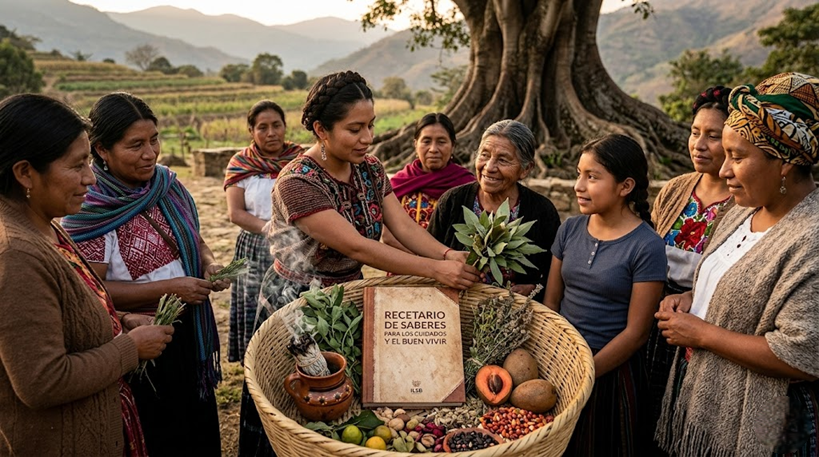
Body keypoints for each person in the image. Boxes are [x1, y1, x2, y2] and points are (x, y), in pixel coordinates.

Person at [240, 70, 481, 457]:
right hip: (297, 303)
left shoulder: (369, 169)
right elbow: (358, 247)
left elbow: (400, 224)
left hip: (345, 299)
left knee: (344, 404)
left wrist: (447, 254)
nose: (367, 138)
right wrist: (435, 270)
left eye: (370, 125)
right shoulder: (297, 182)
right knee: (299, 406)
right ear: (321, 129)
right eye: (355, 129)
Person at [0, 94, 173, 456]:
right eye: (77, 166)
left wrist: (119, 319)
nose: (90, 178)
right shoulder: (16, 255)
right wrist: (131, 348)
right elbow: (42, 382)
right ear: (25, 172)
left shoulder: (44, 226)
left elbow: (68, 313)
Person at [656, 73, 819, 457]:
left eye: (738, 156)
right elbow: (733, 284)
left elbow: (802, 352)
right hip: (704, 402)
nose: (724, 170)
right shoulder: (741, 212)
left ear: (783, 162)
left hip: (764, 430)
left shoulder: (809, 238)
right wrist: (691, 297)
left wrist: (701, 334)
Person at [61, 92, 227, 456]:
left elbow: (195, 241)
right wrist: (171, 288)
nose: (150, 153)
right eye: (135, 145)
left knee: (197, 428)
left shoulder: (167, 184)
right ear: (102, 150)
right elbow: (93, 290)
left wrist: (210, 264)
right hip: (138, 337)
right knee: (161, 433)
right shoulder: (88, 207)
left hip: (188, 331)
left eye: (154, 140)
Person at [543, 134, 667, 456]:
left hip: (611, 372)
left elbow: (636, 334)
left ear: (625, 186)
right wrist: (556, 361)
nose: (578, 186)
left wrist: (584, 375)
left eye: (592, 177)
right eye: (579, 174)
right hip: (562, 360)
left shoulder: (646, 246)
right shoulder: (570, 229)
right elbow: (552, 303)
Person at [644, 85, 734, 448]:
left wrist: (691, 295)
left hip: (699, 320)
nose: (699, 144)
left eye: (713, 136)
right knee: (648, 406)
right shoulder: (677, 188)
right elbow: (647, 246)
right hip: (653, 313)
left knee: (685, 415)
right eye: (695, 132)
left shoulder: (743, 199)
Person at [427, 119, 560, 300]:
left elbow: (554, 274)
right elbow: (430, 258)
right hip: (454, 310)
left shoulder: (542, 212)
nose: (489, 168)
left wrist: (535, 289)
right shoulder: (452, 202)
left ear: (526, 169)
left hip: (516, 319)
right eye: (484, 155)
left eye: (503, 160)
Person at [224, 100, 302, 363]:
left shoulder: (300, 160)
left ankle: (291, 361)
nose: (271, 133)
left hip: (296, 248)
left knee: (293, 308)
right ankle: (256, 364)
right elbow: (235, 213)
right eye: (262, 127)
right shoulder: (241, 164)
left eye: (276, 125)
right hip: (255, 248)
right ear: (251, 131)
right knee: (254, 308)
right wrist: (267, 228)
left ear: (285, 126)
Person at [383, 112, 475, 252]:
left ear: (453, 146)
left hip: (452, 267)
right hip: (405, 267)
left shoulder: (467, 184)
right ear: (415, 144)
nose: (433, 149)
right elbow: (389, 237)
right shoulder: (399, 183)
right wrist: (427, 261)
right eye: (426, 141)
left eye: (441, 142)